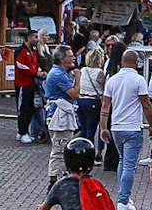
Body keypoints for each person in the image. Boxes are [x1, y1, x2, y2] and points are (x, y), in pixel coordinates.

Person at [103, 48, 149, 210]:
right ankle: (123, 200)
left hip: (116, 127)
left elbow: (105, 106)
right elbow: (146, 104)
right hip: (133, 127)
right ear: (136, 63)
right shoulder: (139, 80)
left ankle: (123, 196)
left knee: (123, 161)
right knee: (130, 165)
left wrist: (103, 127)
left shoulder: (112, 80)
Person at [43, 49, 81, 181]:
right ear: (62, 59)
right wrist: (78, 77)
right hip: (59, 116)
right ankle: (54, 181)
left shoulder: (61, 73)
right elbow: (75, 94)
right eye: (70, 56)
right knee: (60, 150)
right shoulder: (58, 74)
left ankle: (61, 176)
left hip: (62, 114)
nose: (73, 58)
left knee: (63, 147)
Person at [13, 33, 44, 144]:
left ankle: (24, 131)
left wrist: (39, 71)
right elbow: (21, 66)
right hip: (22, 84)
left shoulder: (34, 51)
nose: (37, 39)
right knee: (23, 109)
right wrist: (36, 73)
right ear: (29, 38)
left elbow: (35, 64)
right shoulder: (20, 50)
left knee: (30, 108)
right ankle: (22, 132)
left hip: (31, 84)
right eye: (35, 37)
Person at [76, 47, 107, 145]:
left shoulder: (83, 70)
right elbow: (104, 86)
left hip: (81, 100)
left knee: (84, 128)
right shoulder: (99, 72)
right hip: (93, 101)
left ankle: (81, 148)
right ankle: (90, 149)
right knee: (91, 129)